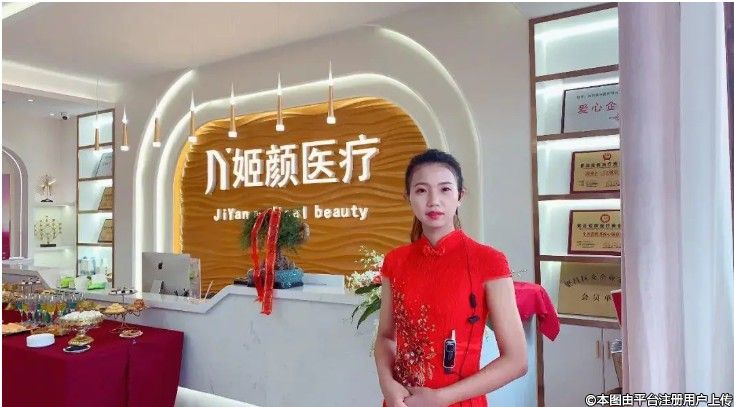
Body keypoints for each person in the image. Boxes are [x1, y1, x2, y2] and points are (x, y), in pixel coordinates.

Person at [374, 149, 527, 407]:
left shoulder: (489, 261)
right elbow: (386, 336)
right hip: (403, 402)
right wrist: (387, 383)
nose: (434, 201)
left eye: (445, 189)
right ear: (408, 197)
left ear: (460, 196)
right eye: (421, 190)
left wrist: (440, 398)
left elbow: (516, 360)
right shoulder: (395, 261)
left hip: (459, 402)